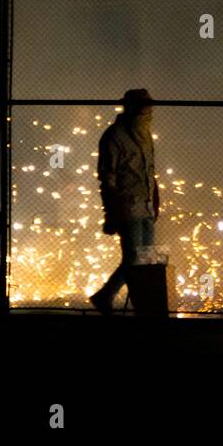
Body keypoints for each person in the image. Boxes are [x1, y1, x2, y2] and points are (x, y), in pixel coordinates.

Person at [90, 89, 160, 315]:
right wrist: (112, 211)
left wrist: (155, 200)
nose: (147, 110)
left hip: (146, 204)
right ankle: (128, 301)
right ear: (130, 107)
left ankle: (109, 296)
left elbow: (150, 171)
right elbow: (107, 178)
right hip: (128, 206)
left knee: (146, 258)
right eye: (143, 106)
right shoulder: (115, 136)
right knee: (133, 259)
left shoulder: (144, 133)